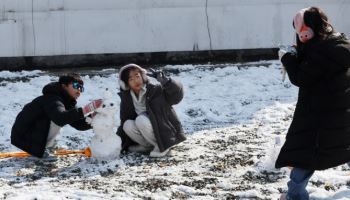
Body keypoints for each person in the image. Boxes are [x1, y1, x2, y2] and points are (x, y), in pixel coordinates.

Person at [276, 7, 350, 200]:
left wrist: (287, 58)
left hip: (319, 116)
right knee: (343, 147)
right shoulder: (336, 43)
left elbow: (302, 77)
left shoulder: (321, 50)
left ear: (309, 29)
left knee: (305, 155)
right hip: (341, 113)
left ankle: (294, 196)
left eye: (301, 30)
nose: (300, 35)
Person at [11, 74, 102, 158]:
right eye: (76, 86)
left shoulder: (66, 102)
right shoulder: (52, 99)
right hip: (24, 136)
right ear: (64, 86)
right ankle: (45, 148)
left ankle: (48, 146)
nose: (79, 91)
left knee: (66, 117)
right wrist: (87, 109)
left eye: (81, 88)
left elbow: (79, 124)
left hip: (29, 135)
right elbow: (60, 118)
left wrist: (94, 116)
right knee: (58, 119)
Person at [116, 64, 186, 157]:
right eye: (131, 79)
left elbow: (176, 96)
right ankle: (148, 146)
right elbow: (123, 120)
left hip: (164, 130)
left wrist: (167, 82)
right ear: (126, 84)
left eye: (137, 76)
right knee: (127, 124)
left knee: (140, 119)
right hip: (145, 128)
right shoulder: (127, 98)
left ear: (142, 76)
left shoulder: (155, 89)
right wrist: (117, 144)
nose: (136, 81)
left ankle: (163, 145)